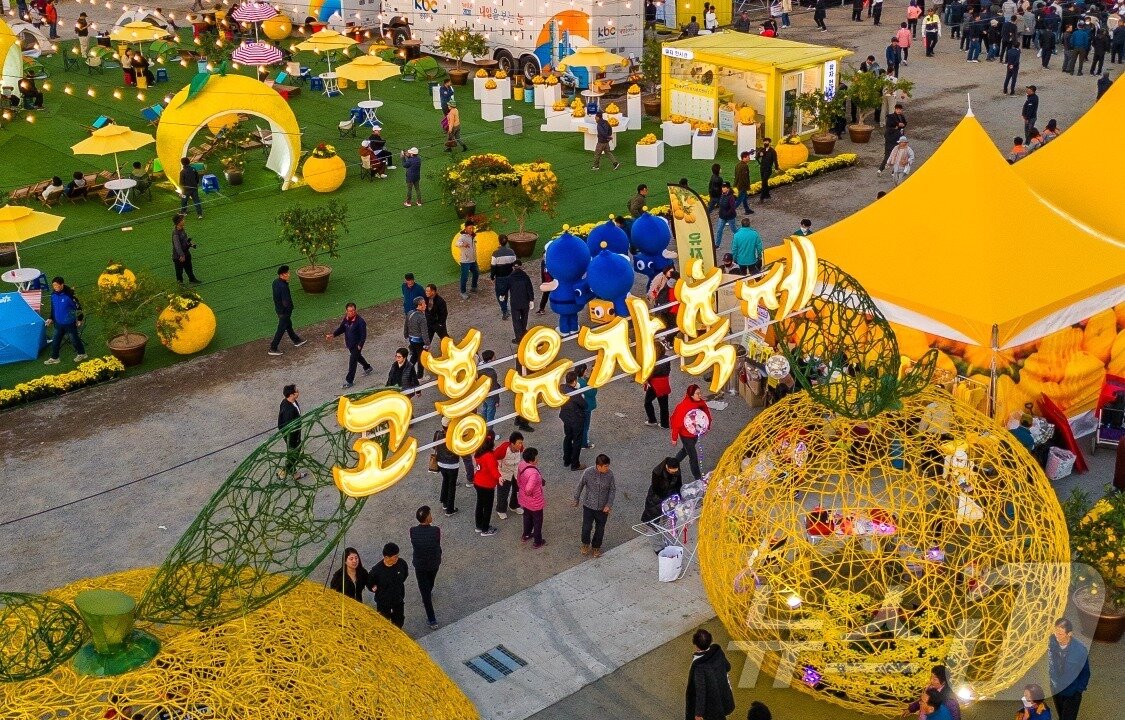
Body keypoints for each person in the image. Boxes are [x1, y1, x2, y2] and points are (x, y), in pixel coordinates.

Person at [685, 628, 736, 720]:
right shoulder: (718, 652)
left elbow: (701, 691)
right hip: (724, 694)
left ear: (695, 644)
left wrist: (698, 714)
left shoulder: (699, 667)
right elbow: (728, 667)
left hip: (712, 704)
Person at [1048, 618, 1090, 720]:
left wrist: (1078, 689)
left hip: (1072, 693)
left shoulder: (1080, 650)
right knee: (1062, 714)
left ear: (1069, 634)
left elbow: (1086, 673)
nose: (1057, 636)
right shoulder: (1051, 643)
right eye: (1056, 632)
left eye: (1060, 634)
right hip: (1056, 689)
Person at [574, 454, 615, 558]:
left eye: (608, 466)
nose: (607, 468)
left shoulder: (610, 475)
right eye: (605, 466)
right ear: (598, 465)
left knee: (600, 528)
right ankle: (585, 544)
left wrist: (608, 505)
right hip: (588, 506)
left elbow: (612, 490)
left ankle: (596, 546)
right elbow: (580, 485)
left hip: (603, 508)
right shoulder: (588, 472)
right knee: (586, 527)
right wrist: (576, 498)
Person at [409, 506, 442, 629]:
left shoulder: (413, 531)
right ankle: (431, 618)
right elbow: (437, 543)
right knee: (430, 582)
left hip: (420, 564)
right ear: (427, 518)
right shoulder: (436, 530)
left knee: (424, 588)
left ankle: (431, 618)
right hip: (433, 562)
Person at [326, 302, 371, 389]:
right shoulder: (346, 319)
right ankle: (367, 367)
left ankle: (349, 381)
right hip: (349, 344)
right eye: (350, 311)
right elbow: (342, 328)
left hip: (356, 345)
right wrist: (333, 335)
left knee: (352, 362)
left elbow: (363, 335)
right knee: (357, 357)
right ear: (346, 311)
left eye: (353, 310)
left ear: (356, 310)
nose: (352, 312)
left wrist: (360, 345)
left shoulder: (360, 322)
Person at [671, 384, 712, 481]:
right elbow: (676, 424)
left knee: (685, 450)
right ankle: (698, 478)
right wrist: (674, 438)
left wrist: (707, 426)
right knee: (693, 457)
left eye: (700, 393)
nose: (700, 395)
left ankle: (672, 464)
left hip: (694, 434)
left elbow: (706, 415)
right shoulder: (682, 407)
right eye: (697, 394)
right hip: (686, 436)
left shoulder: (700, 403)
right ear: (691, 395)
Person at [44, 276, 87, 365]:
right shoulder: (53, 295)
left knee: (74, 340)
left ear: (62, 284)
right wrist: (51, 318)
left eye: (56, 285)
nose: (55, 287)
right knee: (55, 341)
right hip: (58, 323)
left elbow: (78, 308)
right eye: (54, 286)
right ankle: (55, 358)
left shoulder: (70, 295)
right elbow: (53, 308)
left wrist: (79, 319)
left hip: (69, 323)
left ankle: (82, 354)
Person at [642, 458, 682, 550]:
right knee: (653, 524)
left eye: (675, 472)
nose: (673, 474)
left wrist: (677, 499)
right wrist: (668, 500)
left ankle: (669, 542)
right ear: (667, 467)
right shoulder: (657, 472)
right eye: (671, 472)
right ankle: (657, 547)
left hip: (670, 500)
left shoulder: (677, 471)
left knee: (669, 522)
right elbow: (657, 490)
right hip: (656, 501)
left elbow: (679, 485)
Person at [368, 542, 409, 628]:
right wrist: (373, 588)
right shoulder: (376, 571)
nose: (397, 558)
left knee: (399, 621)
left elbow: (405, 575)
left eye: (397, 555)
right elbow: (369, 583)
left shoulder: (401, 563)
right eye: (395, 557)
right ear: (386, 557)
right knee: (384, 623)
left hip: (398, 599)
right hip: (383, 602)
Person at [268, 266, 305, 356]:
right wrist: (289, 309)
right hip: (284, 311)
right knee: (281, 328)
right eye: (287, 273)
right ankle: (273, 347)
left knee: (288, 325)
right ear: (282, 275)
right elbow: (285, 301)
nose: (289, 274)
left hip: (279, 310)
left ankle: (296, 340)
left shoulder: (275, 282)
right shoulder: (283, 286)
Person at [471, 434, 501, 536]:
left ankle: (479, 526)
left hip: (478, 482)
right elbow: (493, 470)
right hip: (487, 485)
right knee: (488, 507)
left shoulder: (479, 452)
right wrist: (499, 477)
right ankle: (485, 529)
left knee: (480, 505)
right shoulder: (489, 456)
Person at [517, 446, 546, 547]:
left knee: (527, 517)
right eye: (536, 457)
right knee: (537, 521)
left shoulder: (521, 465)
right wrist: (529, 492)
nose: (537, 459)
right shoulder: (533, 473)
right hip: (535, 501)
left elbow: (518, 480)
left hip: (525, 500)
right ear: (531, 460)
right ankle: (537, 541)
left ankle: (526, 534)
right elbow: (529, 489)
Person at [560, 371, 588, 471]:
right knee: (577, 441)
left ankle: (566, 460)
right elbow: (584, 405)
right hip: (576, 419)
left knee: (568, 437)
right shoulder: (575, 394)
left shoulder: (562, 388)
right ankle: (575, 464)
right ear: (575, 381)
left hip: (566, 418)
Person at [277, 384, 306, 480]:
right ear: (291, 395)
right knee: (294, 453)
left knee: (293, 453)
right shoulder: (288, 410)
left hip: (295, 433)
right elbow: (288, 428)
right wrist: (295, 438)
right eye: (296, 391)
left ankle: (293, 474)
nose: (298, 392)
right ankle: (283, 473)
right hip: (292, 435)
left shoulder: (290, 401)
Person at [494, 431, 525, 519]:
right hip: (504, 474)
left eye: (521, 442)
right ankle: (501, 510)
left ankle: (514, 505)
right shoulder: (502, 450)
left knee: (517, 489)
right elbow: (493, 458)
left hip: (515, 473)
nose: (521, 445)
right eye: (519, 443)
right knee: (503, 493)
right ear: (512, 443)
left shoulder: (520, 448)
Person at [434, 418, 460, 516]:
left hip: (441, 463)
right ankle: (450, 509)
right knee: (451, 486)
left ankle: (444, 502)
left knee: (445, 481)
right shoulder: (454, 436)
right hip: (453, 464)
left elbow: (434, 447)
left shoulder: (437, 434)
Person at [644, 342, 673, 428]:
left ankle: (652, 420)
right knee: (664, 405)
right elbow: (669, 370)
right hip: (664, 383)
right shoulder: (666, 358)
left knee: (647, 402)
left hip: (654, 384)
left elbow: (650, 373)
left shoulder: (652, 361)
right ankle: (665, 424)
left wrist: (645, 380)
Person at [491, 235, 518, 321]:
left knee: (500, 294)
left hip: (500, 278)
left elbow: (493, 267)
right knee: (509, 293)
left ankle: (504, 310)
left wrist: (492, 276)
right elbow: (515, 264)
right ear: (507, 242)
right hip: (510, 276)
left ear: (499, 242)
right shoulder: (511, 252)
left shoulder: (495, 254)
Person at [508, 260, 535, 343]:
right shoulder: (525, 277)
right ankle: (523, 331)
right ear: (521, 266)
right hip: (524, 301)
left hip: (515, 302)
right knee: (524, 318)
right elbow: (530, 289)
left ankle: (519, 337)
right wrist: (531, 300)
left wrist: (502, 295)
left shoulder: (510, 277)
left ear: (513, 267)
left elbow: (506, 288)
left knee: (516, 320)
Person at [171, 214, 200, 285]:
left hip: (186, 252)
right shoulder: (175, 234)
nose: (184, 221)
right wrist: (181, 255)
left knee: (189, 267)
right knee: (179, 271)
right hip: (179, 256)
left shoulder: (182, 229)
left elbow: (185, 240)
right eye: (182, 220)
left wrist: (191, 244)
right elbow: (177, 246)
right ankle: (180, 284)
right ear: (179, 222)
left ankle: (192, 279)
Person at [404, 296, 429, 378]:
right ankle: (420, 376)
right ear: (420, 305)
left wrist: (406, 335)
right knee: (421, 358)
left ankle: (407, 371)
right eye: (424, 303)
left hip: (411, 339)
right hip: (419, 341)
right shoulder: (421, 317)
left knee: (414, 356)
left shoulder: (410, 313)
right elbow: (424, 332)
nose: (425, 305)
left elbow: (406, 325)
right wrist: (427, 343)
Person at [879, 103, 908, 172]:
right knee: (889, 154)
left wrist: (902, 125)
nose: (898, 111)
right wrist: (898, 125)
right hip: (891, 138)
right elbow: (890, 125)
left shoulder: (902, 116)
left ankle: (889, 170)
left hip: (898, 138)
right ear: (895, 109)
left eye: (900, 109)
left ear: (902, 110)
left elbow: (905, 123)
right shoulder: (891, 116)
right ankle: (881, 169)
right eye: (897, 109)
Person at [456, 221, 479, 300]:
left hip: (472, 260)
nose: (471, 229)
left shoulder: (473, 236)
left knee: (476, 273)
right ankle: (463, 292)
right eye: (469, 228)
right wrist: (463, 244)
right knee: (464, 277)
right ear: (465, 228)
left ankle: (473, 287)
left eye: (472, 228)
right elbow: (457, 243)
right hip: (465, 261)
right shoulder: (463, 236)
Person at [576, 363, 597, 449]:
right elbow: (592, 392)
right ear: (582, 371)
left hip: (580, 406)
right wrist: (594, 386)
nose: (586, 371)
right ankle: (584, 443)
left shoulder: (578, 380)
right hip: (586, 406)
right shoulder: (582, 382)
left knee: (581, 425)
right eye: (585, 370)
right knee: (585, 426)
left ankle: (580, 440)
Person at [713, 182, 738, 250]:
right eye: (722, 187)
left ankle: (740, 240)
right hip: (722, 216)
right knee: (719, 230)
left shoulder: (731, 197)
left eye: (724, 187)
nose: (722, 188)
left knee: (734, 230)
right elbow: (721, 205)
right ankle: (717, 245)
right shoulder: (722, 195)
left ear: (728, 188)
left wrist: (726, 214)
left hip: (730, 217)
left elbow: (732, 208)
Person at [479, 349, 499, 422]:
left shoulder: (480, 366)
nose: (495, 358)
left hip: (483, 393)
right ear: (490, 360)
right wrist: (497, 400)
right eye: (494, 357)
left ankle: (482, 423)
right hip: (490, 395)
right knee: (490, 414)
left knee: (485, 409)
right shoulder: (492, 373)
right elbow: (494, 387)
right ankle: (489, 429)